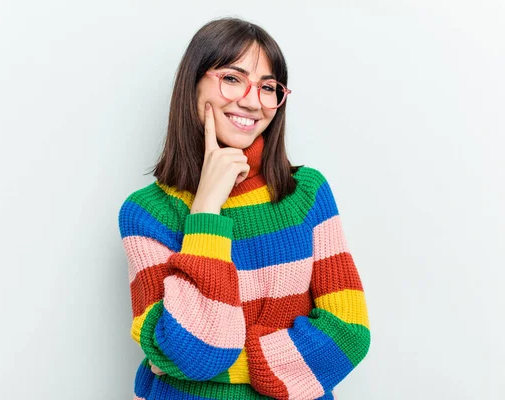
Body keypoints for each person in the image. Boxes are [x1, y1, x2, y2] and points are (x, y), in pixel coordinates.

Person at [117, 17, 371, 400]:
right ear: (193, 84)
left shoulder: (307, 194)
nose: (252, 101)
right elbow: (196, 353)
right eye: (232, 79)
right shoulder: (146, 214)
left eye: (268, 87)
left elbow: (349, 332)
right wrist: (205, 210)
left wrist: (226, 365)